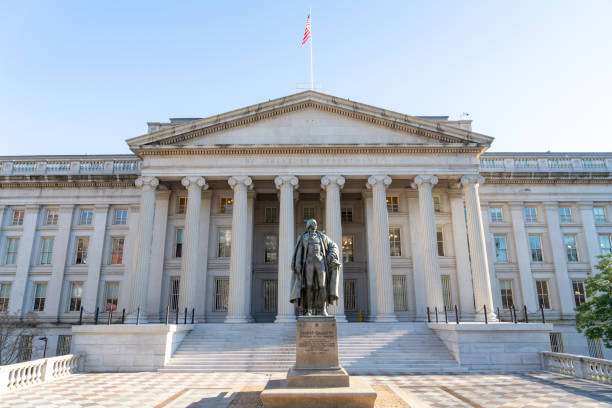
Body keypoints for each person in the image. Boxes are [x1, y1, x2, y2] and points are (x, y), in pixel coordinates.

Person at [290, 219, 341, 316]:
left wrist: (330, 256)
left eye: (315, 226)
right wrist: (298, 264)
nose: (314, 227)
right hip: (308, 263)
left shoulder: (322, 237)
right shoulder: (303, 237)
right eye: (312, 226)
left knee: (322, 285)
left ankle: (323, 309)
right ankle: (309, 309)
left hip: (320, 263)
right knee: (309, 286)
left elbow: (334, 246)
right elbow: (299, 252)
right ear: (308, 227)